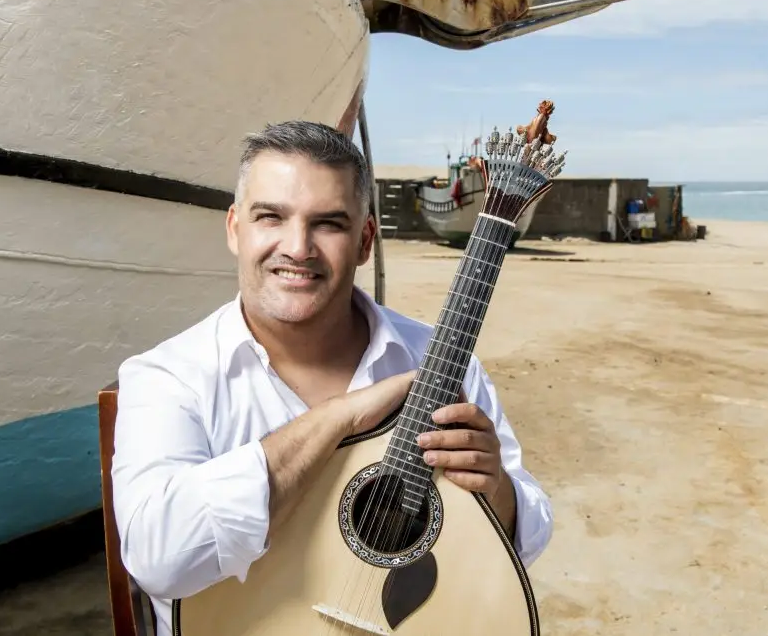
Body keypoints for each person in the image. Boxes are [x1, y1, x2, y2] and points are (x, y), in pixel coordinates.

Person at [110, 120, 554, 636]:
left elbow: (529, 536)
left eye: (328, 224)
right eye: (271, 217)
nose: (298, 248)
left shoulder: (441, 358)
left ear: (365, 240)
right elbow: (157, 560)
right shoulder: (168, 376)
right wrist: (338, 418)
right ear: (236, 229)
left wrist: (494, 488)